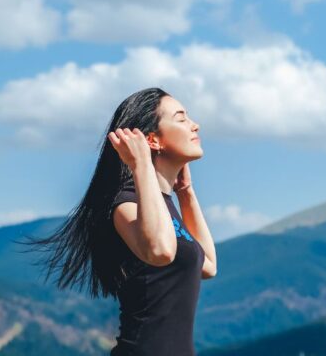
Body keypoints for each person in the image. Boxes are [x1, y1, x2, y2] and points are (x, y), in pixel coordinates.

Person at [15, 87, 217, 356]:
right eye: (181, 118)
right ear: (153, 140)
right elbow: (159, 251)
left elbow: (208, 266)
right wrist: (141, 165)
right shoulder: (127, 204)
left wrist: (186, 192)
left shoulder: (166, 204)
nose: (195, 125)